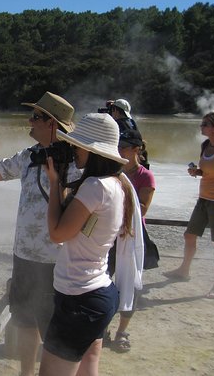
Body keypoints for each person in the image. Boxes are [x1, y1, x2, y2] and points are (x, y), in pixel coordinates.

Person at [0, 91, 81, 376]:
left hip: (58, 261)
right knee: (25, 321)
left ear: (52, 124)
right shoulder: (31, 156)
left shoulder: (78, 163)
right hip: (25, 257)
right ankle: (26, 372)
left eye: (36, 117)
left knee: (53, 328)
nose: (29, 120)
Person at [39, 113, 143, 376]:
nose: (74, 151)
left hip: (79, 299)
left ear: (92, 151)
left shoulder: (95, 186)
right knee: (88, 366)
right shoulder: (118, 183)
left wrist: (54, 184)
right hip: (99, 292)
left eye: (78, 146)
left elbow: (58, 233)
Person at [164, 111, 214, 299]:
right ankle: (184, 270)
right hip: (203, 200)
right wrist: (196, 172)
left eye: (205, 124)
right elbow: (209, 172)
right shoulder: (206, 146)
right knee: (189, 234)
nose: (201, 127)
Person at [106, 128, 157, 352]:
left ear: (137, 149)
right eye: (117, 146)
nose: (119, 150)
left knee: (131, 283)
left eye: (124, 147)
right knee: (104, 278)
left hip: (132, 234)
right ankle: (102, 326)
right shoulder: (111, 170)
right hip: (109, 233)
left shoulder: (145, 176)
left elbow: (143, 209)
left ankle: (121, 331)